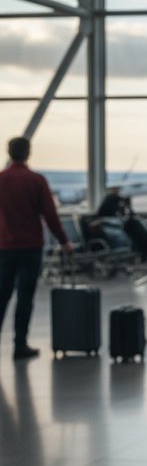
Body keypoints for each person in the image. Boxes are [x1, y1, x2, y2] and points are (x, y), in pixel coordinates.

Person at [0, 136, 73, 359]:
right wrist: (64, 241)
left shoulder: (1, 179)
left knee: (2, 295)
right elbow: (50, 216)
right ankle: (19, 344)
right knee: (25, 296)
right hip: (30, 246)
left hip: (3, 246)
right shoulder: (36, 180)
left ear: (9, 152)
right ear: (28, 152)